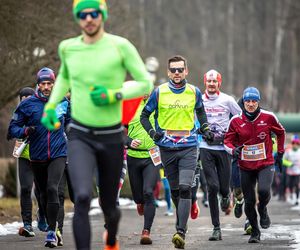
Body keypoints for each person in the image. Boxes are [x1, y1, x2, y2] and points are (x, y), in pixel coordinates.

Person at [40, 1, 153, 249]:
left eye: (94, 13)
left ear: (102, 15)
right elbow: (64, 78)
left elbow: (145, 83)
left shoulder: (120, 46)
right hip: (80, 134)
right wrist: (51, 105)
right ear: (77, 18)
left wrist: (114, 94)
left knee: (109, 207)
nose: (88, 18)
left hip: (111, 136)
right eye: (83, 14)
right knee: (81, 197)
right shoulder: (67, 48)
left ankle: (111, 238)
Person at [140, 55, 213, 249]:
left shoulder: (194, 92)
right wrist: (152, 133)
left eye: (180, 69)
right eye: (173, 70)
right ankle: (184, 214)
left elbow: (201, 112)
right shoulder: (159, 92)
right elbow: (144, 116)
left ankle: (180, 231)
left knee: (184, 187)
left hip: (189, 147)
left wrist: (205, 128)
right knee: (174, 191)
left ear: (186, 71)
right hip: (167, 148)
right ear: (168, 72)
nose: (177, 73)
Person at [8, 67, 70, 248]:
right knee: (42, 193)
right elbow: (12, 128)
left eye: (49, 83)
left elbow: (74, 120)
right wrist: (25, 130)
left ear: (54, 84)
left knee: (53, 188)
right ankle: (42, 215)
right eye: (43, 83)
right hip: (37, 155)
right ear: (38, 85)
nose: (46, 87)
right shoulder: (27, 104)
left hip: (59, 153)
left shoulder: (62, 101)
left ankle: (52, 232)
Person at [224, 86, 285, 243]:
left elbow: (281, 132)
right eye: (247, 101)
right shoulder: (235, 120)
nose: (250, 104)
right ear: (243, 102)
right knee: (249, 201)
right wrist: (233, 151)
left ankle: (263, 209)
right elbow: (227, 141)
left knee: (264, 191)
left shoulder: (268, 117)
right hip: (245, 166)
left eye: (254, 101)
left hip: (265, 163)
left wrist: (281, 152)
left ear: (258, 102)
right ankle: (255, 232)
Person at [199, 69, 241, 241]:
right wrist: (200, 129)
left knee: (224, 187)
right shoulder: (199, 100)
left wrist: (232, 134)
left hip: (224, 148)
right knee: (212, 187)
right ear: (205, 83)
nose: (211, 84)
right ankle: (216, 228)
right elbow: (193, 118)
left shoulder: (227, 100)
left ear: (219, 83)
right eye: (208, 81)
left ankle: (226, 196)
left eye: (214, 81)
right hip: (205, 147)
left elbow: (240, 117)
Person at [7, 87, 48, 237]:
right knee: (25, 188)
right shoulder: (19, 113)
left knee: (41, 191)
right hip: (24, 157)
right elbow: (13, 130)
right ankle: (27, 224)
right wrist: (22, 132)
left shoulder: (39, 111)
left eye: (28, 99)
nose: (25, 102)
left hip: (40, 155)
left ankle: (42, 215)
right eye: (22, 100)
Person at [126, 94, 160, 245]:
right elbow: (118, 130)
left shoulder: (157, 105)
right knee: (139, 197)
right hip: (133, 157)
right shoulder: (129, 106)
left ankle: (146, 231)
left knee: (148, 191)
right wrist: (129, 141)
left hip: (152, 156)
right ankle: (139, 202)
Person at [285, 135, 300, 205]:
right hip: (290, 172)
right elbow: (283, 160)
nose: (295, 145)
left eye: (297, 144)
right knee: (289, 185)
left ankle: (297, 199)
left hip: (297, 172)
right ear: (292, 144)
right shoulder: (288, 152)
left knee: (296, 185)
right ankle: (291, 194)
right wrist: (289, 164)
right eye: (294, 144)